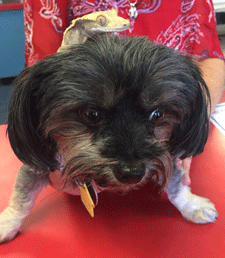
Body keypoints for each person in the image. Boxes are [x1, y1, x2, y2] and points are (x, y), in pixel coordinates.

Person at [23, 0, 225, 186]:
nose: (131, 169)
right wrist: (51, 159)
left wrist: (190, 130)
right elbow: (41, 87)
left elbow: (211, 55)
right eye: (92, 116)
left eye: (157, 116)